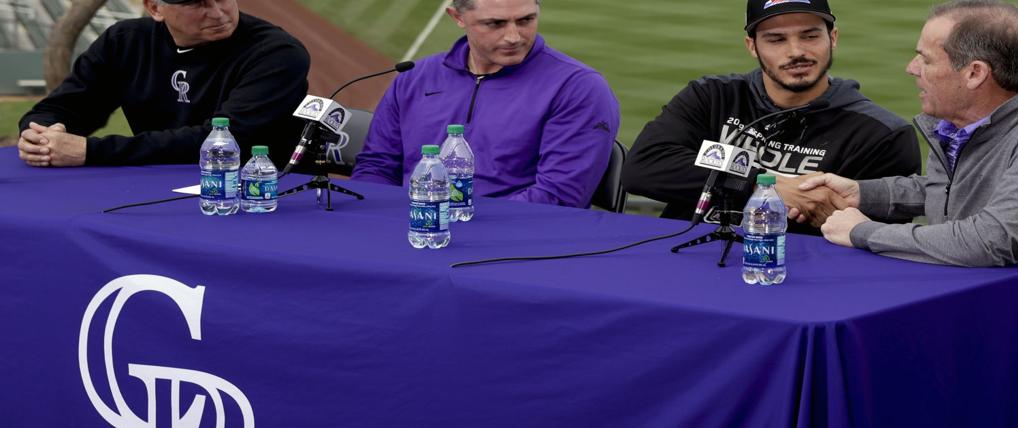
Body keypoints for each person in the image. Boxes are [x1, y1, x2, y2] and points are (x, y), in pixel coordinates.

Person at [792, 1, 1018, 399]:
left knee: (921, 362)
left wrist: (862, 232)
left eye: (925, 58)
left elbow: (989, 241)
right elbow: (940, 190)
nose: (912, 68)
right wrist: (859, 192)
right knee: (855, 341)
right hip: (976, 310)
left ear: (975, 73)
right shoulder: (958, 127)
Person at [624, 0, 920, 235]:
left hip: (797, 278)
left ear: (833, 38)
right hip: (690, 256)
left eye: (810, 35)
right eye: (776, 39)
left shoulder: (882, 134)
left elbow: (878, 236)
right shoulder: (711, 97)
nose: (796, 51)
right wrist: (765, 186)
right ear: (752, 46)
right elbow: (643, 168)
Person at [350, 0, 618, 208]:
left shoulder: (578, 88)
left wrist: (455, 220)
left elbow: (558, 195)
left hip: (514, 249)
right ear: (458, 17)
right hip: (416, 229)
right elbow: (377, 166)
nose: (514, 36)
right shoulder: (415, 78)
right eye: (495, 23)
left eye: (526, 20)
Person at [15, 0, 309, 169]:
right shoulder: (125, 42)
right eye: (197, 3)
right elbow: (64, 106)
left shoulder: (276, 53)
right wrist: (41, 133)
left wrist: (90, 152)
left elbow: (223, 142)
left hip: (252, 194)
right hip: (153, 184)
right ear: (155, 7)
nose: (218, 12)